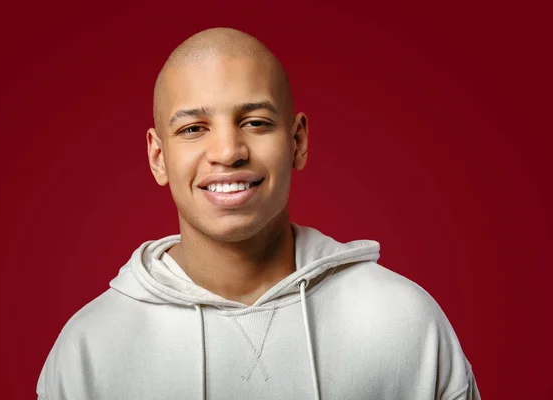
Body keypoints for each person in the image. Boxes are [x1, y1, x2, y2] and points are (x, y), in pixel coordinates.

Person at [36, 27, 481, 400]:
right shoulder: (88, 350)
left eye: (255, 122)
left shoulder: (403, 321)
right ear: (158, 157)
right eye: (193, 129)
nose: (228, 152)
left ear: (297, 142)